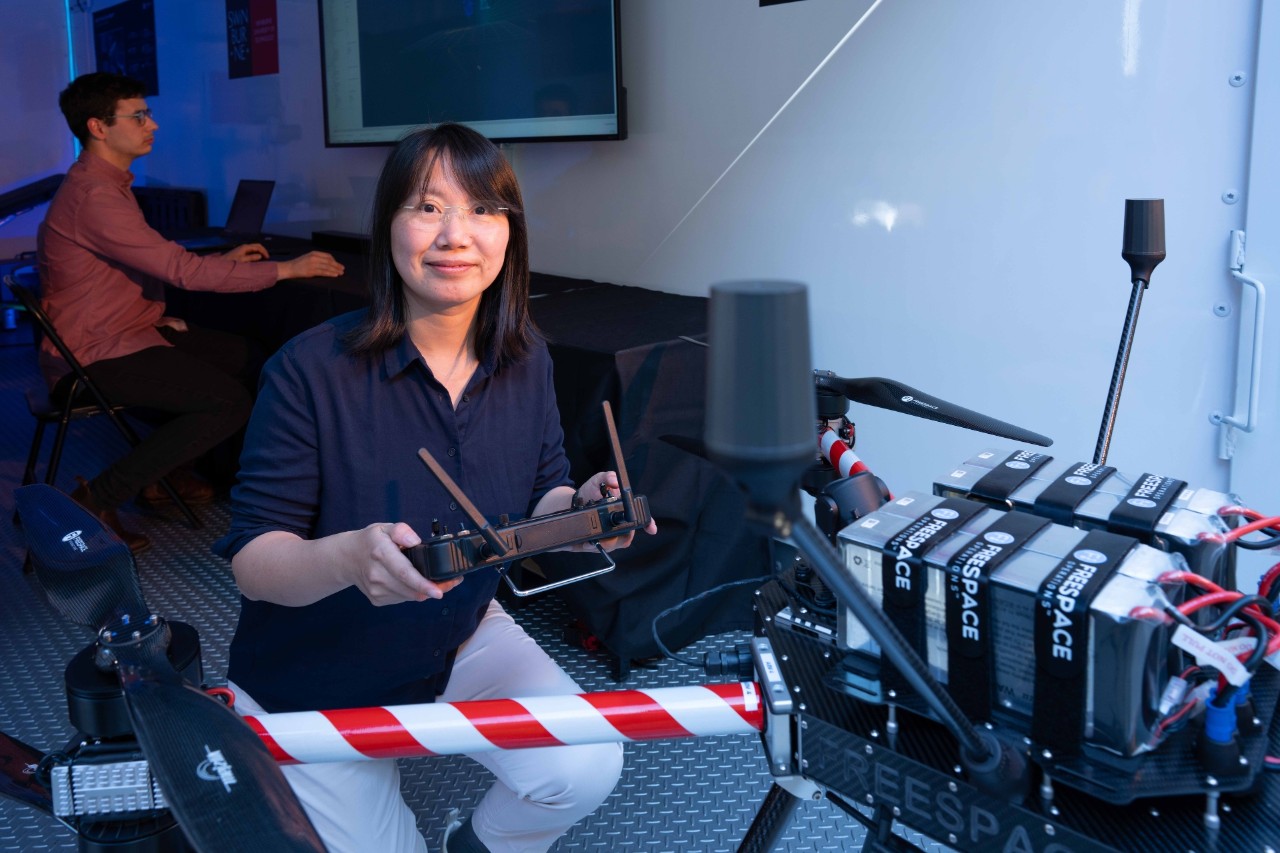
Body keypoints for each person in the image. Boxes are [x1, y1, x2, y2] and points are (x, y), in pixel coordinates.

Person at [213, 122, 656, 853]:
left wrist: (579, 513)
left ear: (510, 233)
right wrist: (350, 558)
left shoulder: (527, 359)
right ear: (388, 226)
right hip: (314, 676)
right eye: (427, 206)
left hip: (458, 638)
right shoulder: (308, 369)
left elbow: (543, 488)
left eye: (483, 208)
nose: (457, 233)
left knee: (584, 762)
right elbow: (255, 560)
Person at [37, 71, 345, 553]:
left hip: (127, 330)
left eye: (148, 114)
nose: (152, 125)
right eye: (138, 116)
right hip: (94, 352)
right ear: (98, 127)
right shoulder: (94, 196)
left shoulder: (106, 185)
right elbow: (180, 272)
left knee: (254, 359)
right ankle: (96, 498)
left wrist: (219, 263)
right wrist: (286, 269)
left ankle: (165, 474)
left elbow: (148, 262)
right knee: (228, 401)